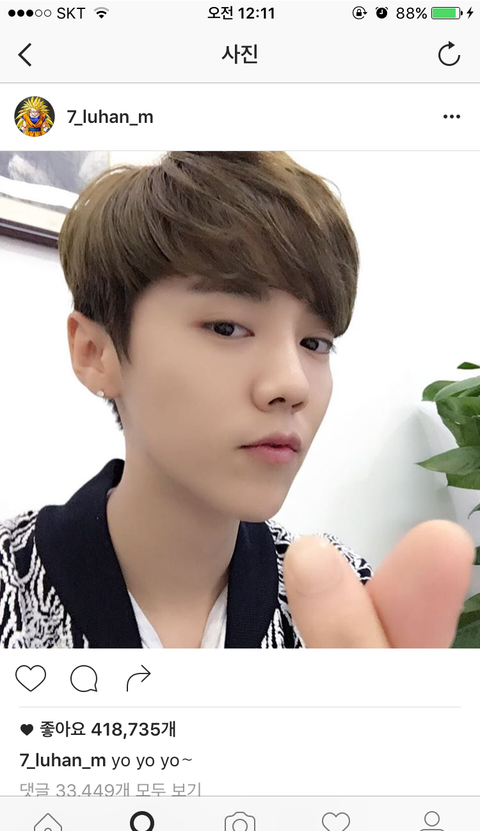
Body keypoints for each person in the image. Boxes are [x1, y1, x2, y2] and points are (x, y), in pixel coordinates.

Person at [0, 151, 474, 648]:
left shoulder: (345, 601)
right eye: (227, 328)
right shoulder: (14, 582)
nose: (293, 385)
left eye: (315, 343)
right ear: (95, 353)